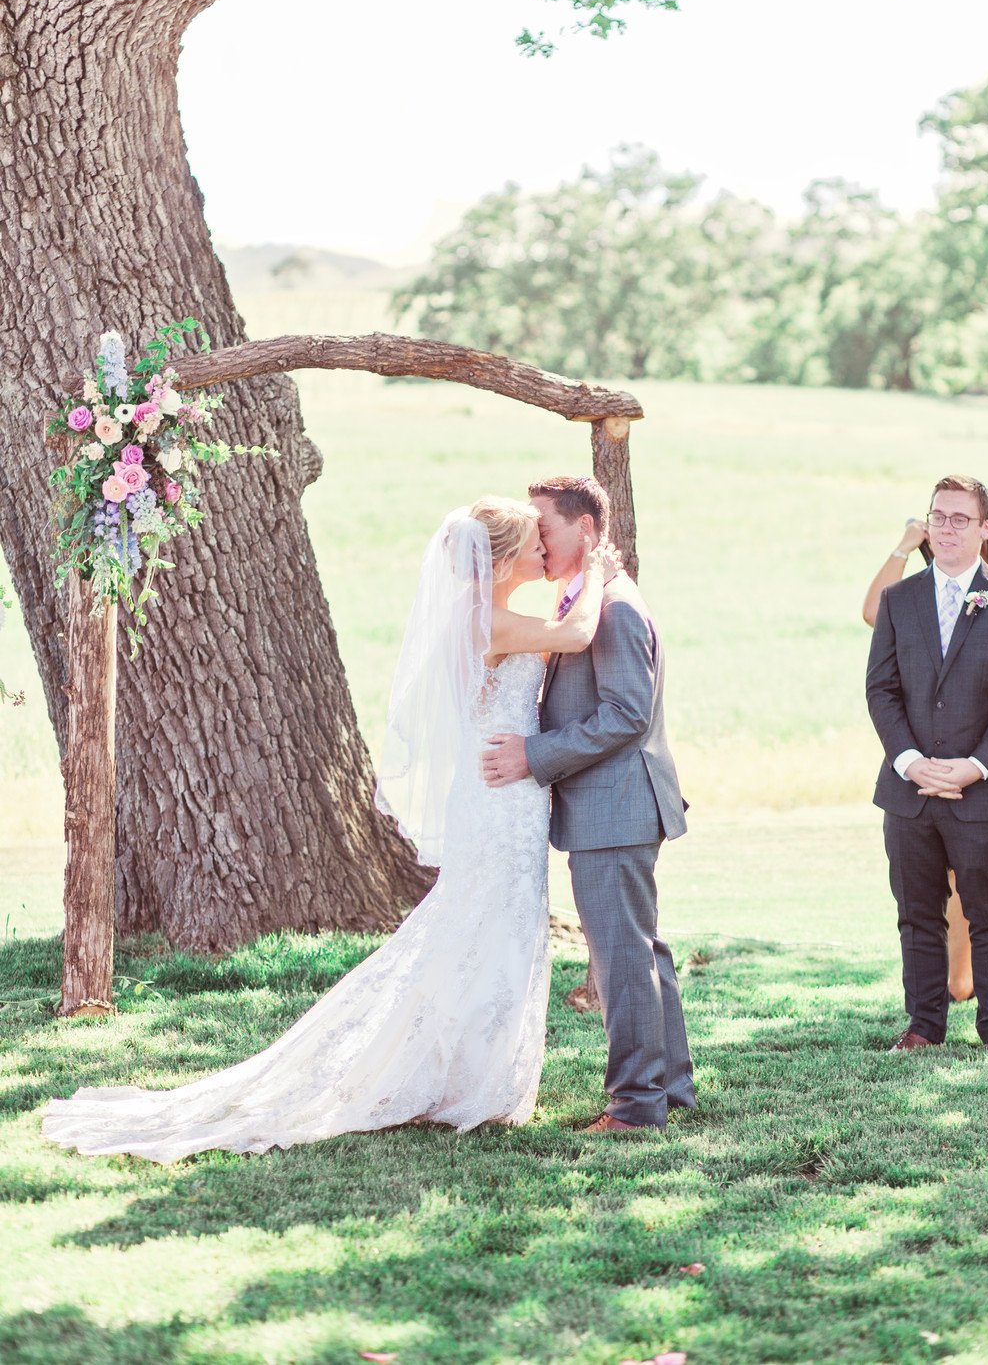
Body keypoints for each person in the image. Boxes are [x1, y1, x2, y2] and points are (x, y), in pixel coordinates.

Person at [42, 496, 619, 1161]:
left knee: (497, 930)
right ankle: (466, 1083)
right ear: (504, 558)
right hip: (496, 802)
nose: (545, 551)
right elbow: (576, 635)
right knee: (488, 928)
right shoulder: (489, 620)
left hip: (505, 796)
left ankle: (470, 1076)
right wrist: (603, 567)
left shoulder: (498, 615)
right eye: (534, 543)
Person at [482, 474, 695, 1133]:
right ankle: (672, 1089)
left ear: (588, 530)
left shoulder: (616, 608)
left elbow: (626, 715)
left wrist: (534, 755)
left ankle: (635, 1107)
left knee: (621, 960)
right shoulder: (584, 602)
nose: (536, 538)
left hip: (617, 806)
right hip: (613, 806)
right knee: (641, 953)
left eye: (545, 524)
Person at [866, 473, 988, 1056]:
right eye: (938, 516)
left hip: (983, 789)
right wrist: (911, 762)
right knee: (917, 913)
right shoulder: (899, 600)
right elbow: (882, 690)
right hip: (911, 790)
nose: (946, 527)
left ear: (985, 528)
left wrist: (975, 766)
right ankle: (922, 1026)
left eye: (960, 518)